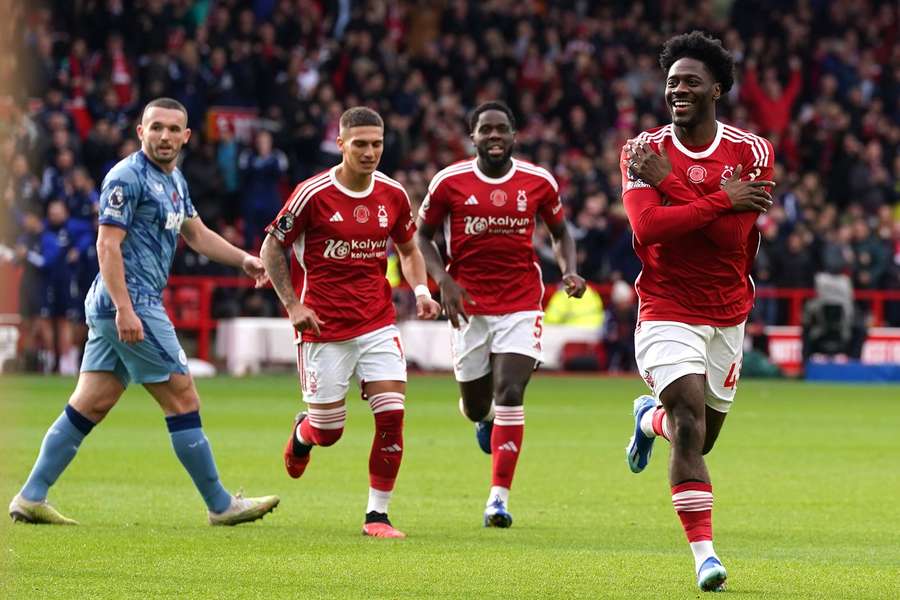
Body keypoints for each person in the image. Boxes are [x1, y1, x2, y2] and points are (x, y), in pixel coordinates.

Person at [8, 98, 279, 526]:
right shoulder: (126, 176)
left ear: (186, 136)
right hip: (131, 302)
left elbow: (197, 232)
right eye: (156, 128)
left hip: (125, 303)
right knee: (183, 395)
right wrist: (125, 309)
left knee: (91, 403)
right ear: (141, 131)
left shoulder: (175, 180)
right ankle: (222, 505)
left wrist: (243, 260)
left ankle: (30, 496)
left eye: (174, 129)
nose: (165, 137)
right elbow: (106, 244)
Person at [620, 32, 776, 591]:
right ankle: (705, 557)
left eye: (689, 81)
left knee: (700, 437)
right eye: (671, 82)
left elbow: (733, 240)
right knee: (688, 420)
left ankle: (646, 418)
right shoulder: (641, 151)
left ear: (717, 88)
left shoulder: (751, 151)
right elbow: (647, 227)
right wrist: (710, 198)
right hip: (665, 304)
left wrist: (673, 185)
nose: (677, 90)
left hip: (728, 310)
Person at [260, 106, 440, 539]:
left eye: (376, 144)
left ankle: (377, 515)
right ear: (340, 144)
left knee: (392, 415)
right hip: (324, 327)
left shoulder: (393, 194)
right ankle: (304, 433)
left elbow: (409, 250)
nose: (370, 152)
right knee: (329, 432)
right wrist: (292, 306)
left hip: (377, 322)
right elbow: (272, 248)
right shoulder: (312, 194)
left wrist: (420, 292)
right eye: (360, 144)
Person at [415, 101, 586, 528]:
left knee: (511, 391)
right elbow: (422, 237)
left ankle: (498, 499)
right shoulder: (449, 182)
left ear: (514, 135)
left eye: (501, 130)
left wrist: (569, 271)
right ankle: (483, 419)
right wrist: (443, 281)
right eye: (485, 130)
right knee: (476, 407)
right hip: (468, 305)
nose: (494, 137)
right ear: (472, 136)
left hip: (522, 302)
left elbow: (561, 232)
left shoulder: (538, 182)